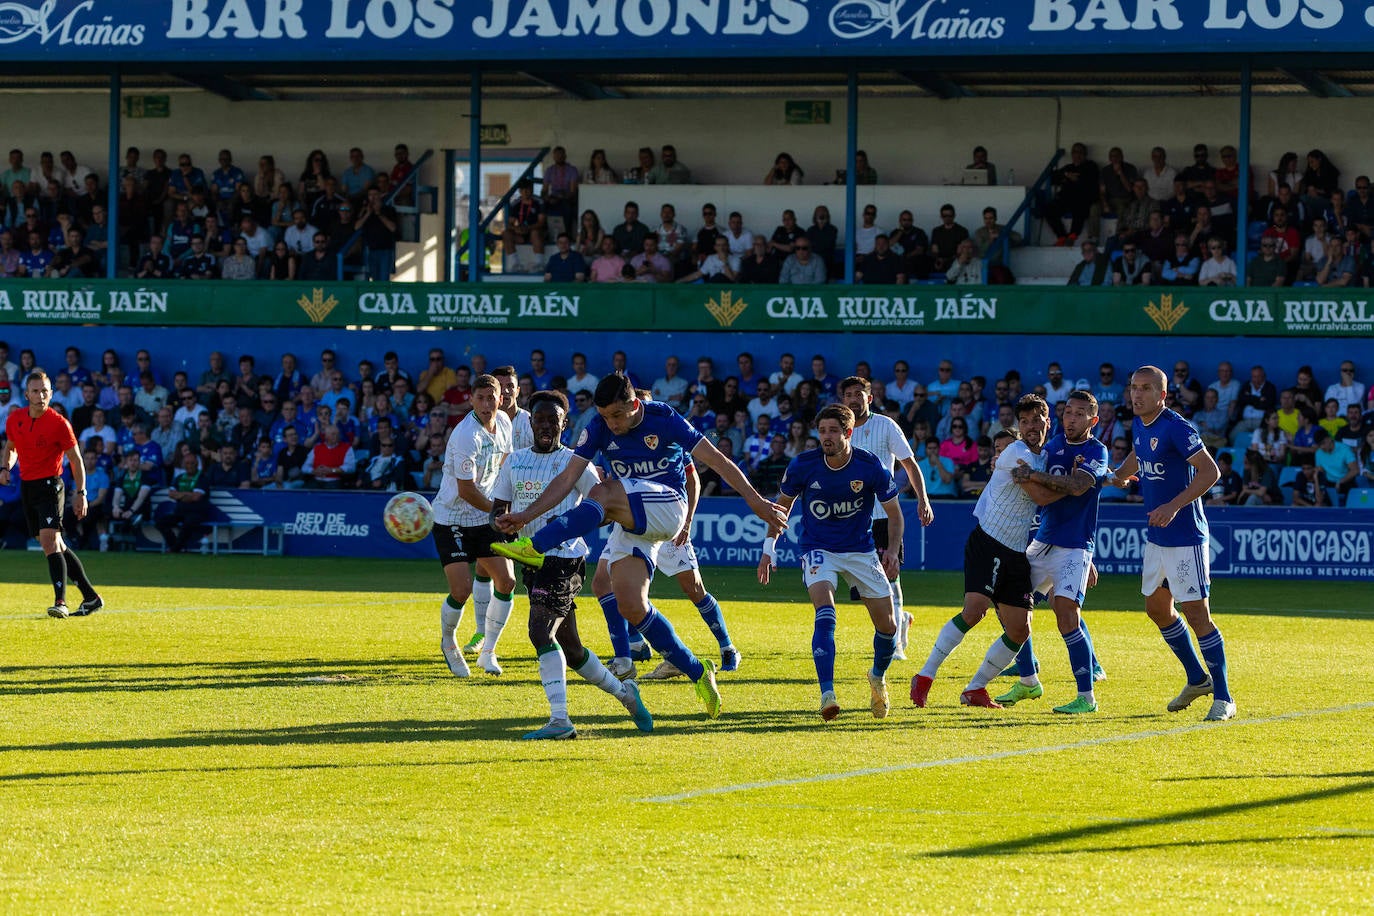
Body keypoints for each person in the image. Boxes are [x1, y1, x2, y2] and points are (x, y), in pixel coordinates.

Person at [493, 374, 788, 720]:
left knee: (602, 492)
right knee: (632, 605)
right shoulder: (599, 426)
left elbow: (719, 462)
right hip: (633, 516)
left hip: (668, 507)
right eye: (605, 416)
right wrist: (526, 513)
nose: (611, 424)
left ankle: (537, 545)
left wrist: (757, 503)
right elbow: (567, 478)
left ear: (635, 405)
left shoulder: (663, 417)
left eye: (617, 416)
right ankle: (697, 671)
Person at [489, 392, 653, 739]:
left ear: (565, 424)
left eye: (554, 420)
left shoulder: (576, 464)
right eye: (540, 419)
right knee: (572, 647)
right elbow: (498, 509)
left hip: (565, 559)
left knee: (539, 632)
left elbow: (602, 507)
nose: (546, 425)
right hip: (530, 560)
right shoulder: (514, 461)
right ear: (530, 422)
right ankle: (626, 695)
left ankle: (560, 721)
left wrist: (564, 527)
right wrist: (502, 523)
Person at [757, 404, 903, 720]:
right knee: (825, 610)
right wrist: (769, 548)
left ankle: (877, 677)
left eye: (833, 431)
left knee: (888, 627)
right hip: (818, 549)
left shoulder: (869, 465)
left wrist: (891, 550)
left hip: (861, 551)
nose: (826, 437)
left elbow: (894, 514)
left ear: (848, 433)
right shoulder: (803, 465)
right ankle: (827, 694)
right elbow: (780, 510)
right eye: (822, 431)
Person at [1105, 366, 1234, 721]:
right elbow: (1139, 454)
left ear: (1163, 394)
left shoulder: (1177, 427)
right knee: (1158, 609)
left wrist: (1173, 506)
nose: (1137, 394)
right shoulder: (1140, 425)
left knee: (1197, 614)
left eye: (1146, 388)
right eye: (1134, 387)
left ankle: (1223, 697)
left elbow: (1211, 472)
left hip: (1185, 536)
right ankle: (1196, 679)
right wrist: (1119, 475)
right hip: (1157, 537)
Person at [912, 395, 1051, 709]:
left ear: (1047, 421)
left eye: (1036, 420)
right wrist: (1070, 484)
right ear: (1018, 426)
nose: (1031, 426)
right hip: (988, 541)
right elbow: (1042, 496)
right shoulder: (1015, 452)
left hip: (1016, 552)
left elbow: (1050, 483)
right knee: (974, 610)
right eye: (1025, 421)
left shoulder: (1048, 456)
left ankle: (975, 689)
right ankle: (924, 676)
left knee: (1019, 629)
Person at [996, 391, 1110, 712]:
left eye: (1079, 414)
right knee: (1007, 602)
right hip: (1043, 542)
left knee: (1066, 616)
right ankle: (1029, 680)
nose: (1071, 419)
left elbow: (1077, 486)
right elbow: (1042, 490)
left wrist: (1032, 475)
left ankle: (1086, 697)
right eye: (1067, 412)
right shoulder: (1052, 446)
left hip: (1074, 547)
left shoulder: (1096, 450)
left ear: (1093, 420)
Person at [840, 376, 934, 659]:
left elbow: (909, 463)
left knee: (890, 576)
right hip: (851, 518)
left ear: (870, 398)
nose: (854, 398)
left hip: (883, 515)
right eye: (848, 394)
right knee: (864, 587)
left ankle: (895, 643)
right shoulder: (839, 430)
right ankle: (900, 619)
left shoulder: (886, 425)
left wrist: (923, 499)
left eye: (859, 393)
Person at [433, 374, 517, 678]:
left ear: (500, 398)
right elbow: (466, 490)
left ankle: (488, 653)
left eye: (490, 397)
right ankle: (448, 641)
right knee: (461, 589)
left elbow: (505, 465)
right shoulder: (466, 434)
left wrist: (509, 504)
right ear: (471, 400)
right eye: (479, 398)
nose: (486, 403)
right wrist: (499, 512)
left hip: (484, 517)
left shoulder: (505, 424)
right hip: (452, 518)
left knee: (506, 582)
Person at [0, 371, 104, 617]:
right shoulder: (15, 419)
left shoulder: (59, 423)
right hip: (27, 486)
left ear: (51, 393)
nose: (40, 396)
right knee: (53, 543)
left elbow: (76, 461)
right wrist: (6, 467)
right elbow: (11, 447)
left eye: (45, 391)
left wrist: (81, 493)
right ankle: (91, 597)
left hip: (50, 485)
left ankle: (61, 602)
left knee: (49, 541)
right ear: (26, 394)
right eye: (35, 391)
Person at [154, 450, 213, 554]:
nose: (189, 466)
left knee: (188, 523)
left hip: (197, 512)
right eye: (187, 463)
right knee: (160, 523)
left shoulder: (202, 478)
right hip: (180, 512)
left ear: (197, 464)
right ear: (183, 465)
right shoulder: (179, 478)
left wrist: (180, 495)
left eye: (192, 463)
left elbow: (196, 498)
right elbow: (171, 494)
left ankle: (175, 549)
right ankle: (176, 546)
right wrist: (188, 494)